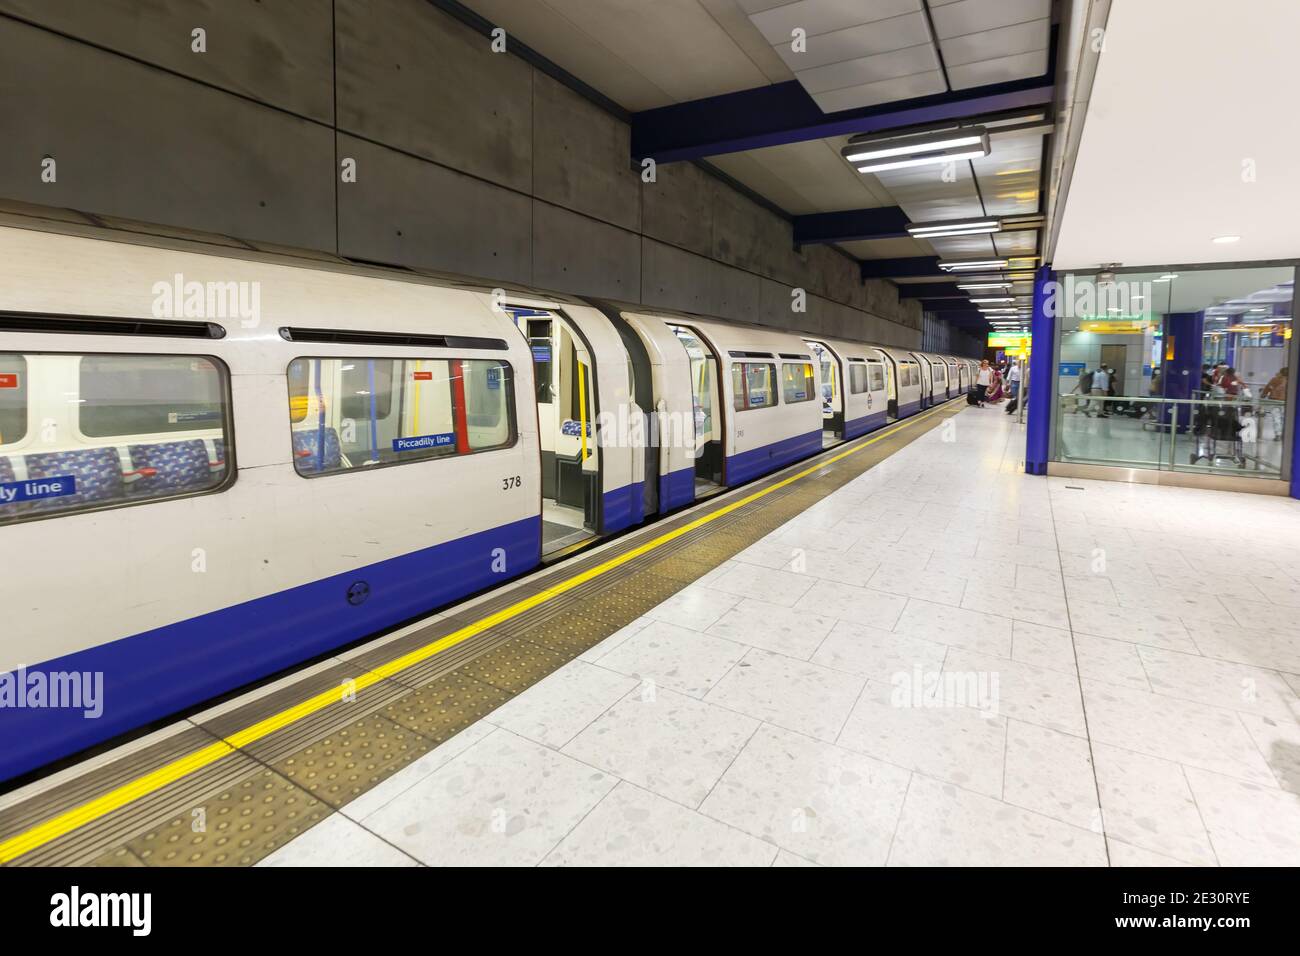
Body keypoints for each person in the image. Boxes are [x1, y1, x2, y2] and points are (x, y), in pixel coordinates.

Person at [1262, 367, 1287, 440]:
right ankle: (1284, 434)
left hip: (1274, 401)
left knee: (1276, 418)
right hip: (1285, 402)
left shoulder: (1274, 379)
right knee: (1284, 418)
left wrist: (1263, 395)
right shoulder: (1291, 380)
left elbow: (1267, 388)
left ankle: (1278, 435)